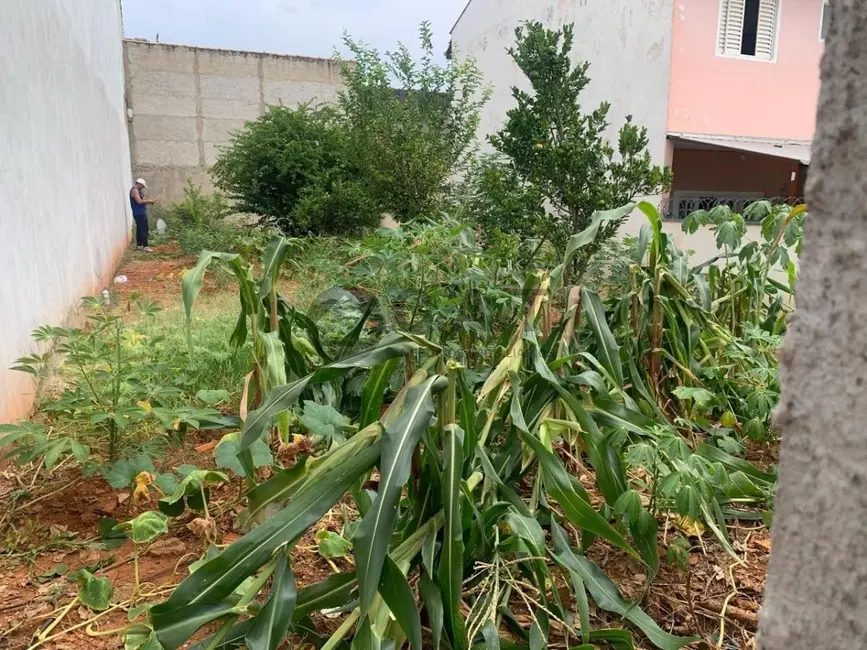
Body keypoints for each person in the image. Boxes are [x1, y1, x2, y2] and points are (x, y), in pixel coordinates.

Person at [129, 178, 156, 252]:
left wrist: (150, 202)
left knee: (140, 228)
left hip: (140, 211)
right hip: (138, 212)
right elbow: (139, 201)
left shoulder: (139, 191)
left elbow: (143, 201)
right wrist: (148, 200)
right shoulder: (134, 190)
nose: (143, 187)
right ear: (139, 184)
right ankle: (145, 246)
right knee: (144, 228)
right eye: (143, 186)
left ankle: (139, 245)